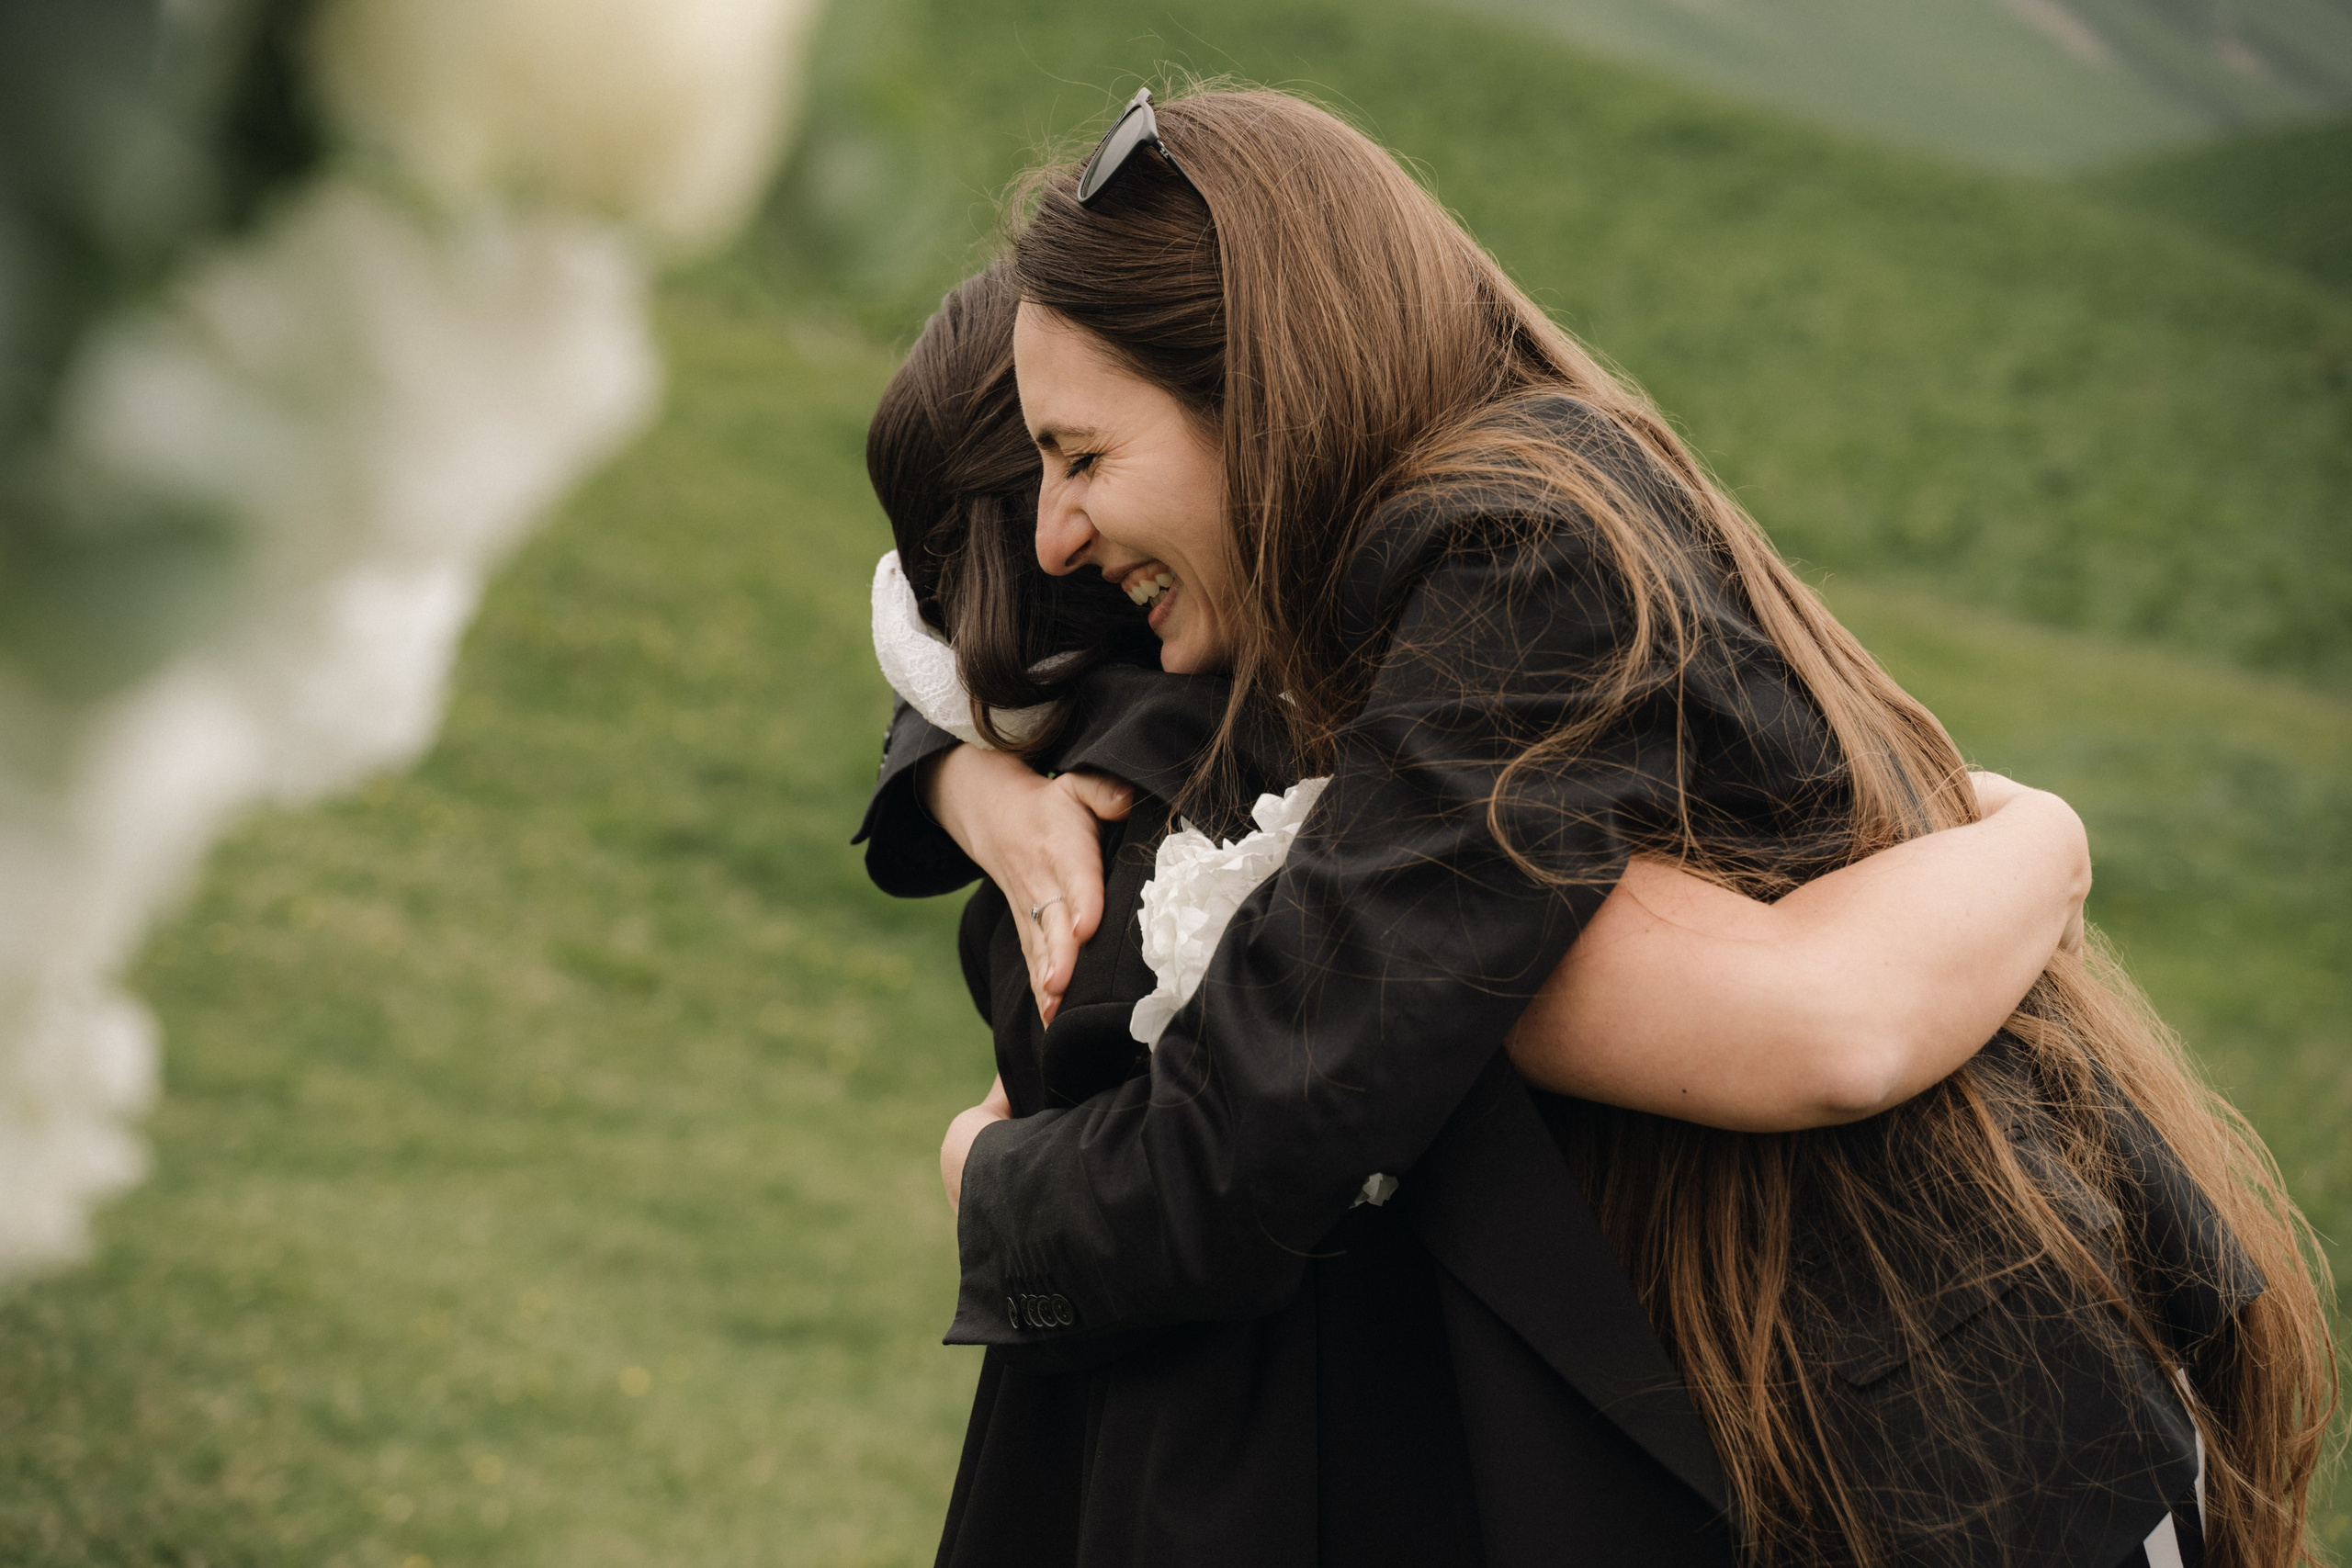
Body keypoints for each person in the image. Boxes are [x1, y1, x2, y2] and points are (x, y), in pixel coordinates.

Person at [870, 89, 2332, 1568]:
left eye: (1084, 460)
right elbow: (947, 598)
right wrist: (957, 772)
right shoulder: (1389, 595)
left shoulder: (1509, 563)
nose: (1059, 534)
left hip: (1956, 1451)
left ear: (1255, 389)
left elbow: (1267, 1134)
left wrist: (990, 1192)